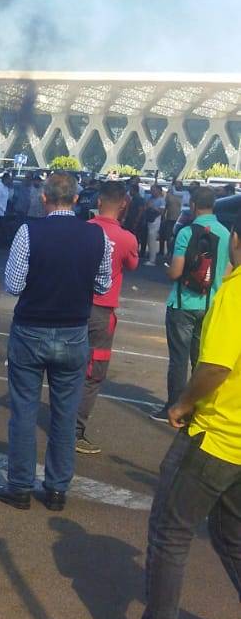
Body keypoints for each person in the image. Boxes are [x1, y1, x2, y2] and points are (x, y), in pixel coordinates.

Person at [109, 216, 241, 619]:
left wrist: (184, 402)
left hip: (215, 436)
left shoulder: (235, 292)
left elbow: (216, 367)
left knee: (170, 532)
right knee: (232, 538)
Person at [0, 171, 112, 511]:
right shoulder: (95, 236)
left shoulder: (29, 231)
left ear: (44, 198)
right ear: (76, 199)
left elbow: (13, 285)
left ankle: (19, 486)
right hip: (74, 332)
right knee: (64, 414)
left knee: (24, 412)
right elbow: (103, 286)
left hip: (31, 329)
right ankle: (57, 488)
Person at [150, 185, 231, 424]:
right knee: (200, 357)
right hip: (210, 304)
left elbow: (176, 272)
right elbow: (226, 273)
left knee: (178, 358)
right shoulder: (226, 234)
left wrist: (168, 270)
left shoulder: (186, 232)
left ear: (194, 205)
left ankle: (173, 405)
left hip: (183, 303)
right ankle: (195, 407)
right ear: (213, 206)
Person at [74, 182, 139, 455]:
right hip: (102, 311)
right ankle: (75, 430)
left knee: (68, 365)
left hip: (74, 306)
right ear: (123, 203)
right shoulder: (126, 238)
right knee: (93, 372)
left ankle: (63, 419)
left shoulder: (82, 230)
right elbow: (132, 265)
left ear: (99, 200)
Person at [161, 177, 183, 259]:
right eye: (176, 184)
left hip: (180, 219)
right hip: (170, 218)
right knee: (168, 236)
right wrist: (163, 216)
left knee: (178, 237)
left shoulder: (183, 195)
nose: (177, 186)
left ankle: (176, 253)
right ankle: (169, 252)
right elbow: (165, 205)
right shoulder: (169, 194)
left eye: (179, 185)